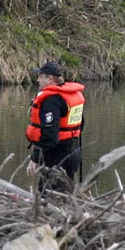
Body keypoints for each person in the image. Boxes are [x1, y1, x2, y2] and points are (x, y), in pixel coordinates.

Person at [26, 61, 85, 189]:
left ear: (50, 78)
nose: (38, 80)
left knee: (47, 197)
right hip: (74, 151)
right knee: (63, 195)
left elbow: (50, 136)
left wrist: (35, 158)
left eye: (41, 77)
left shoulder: (51, 100)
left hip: (57, 156)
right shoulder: (72, 94)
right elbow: (81, 124)